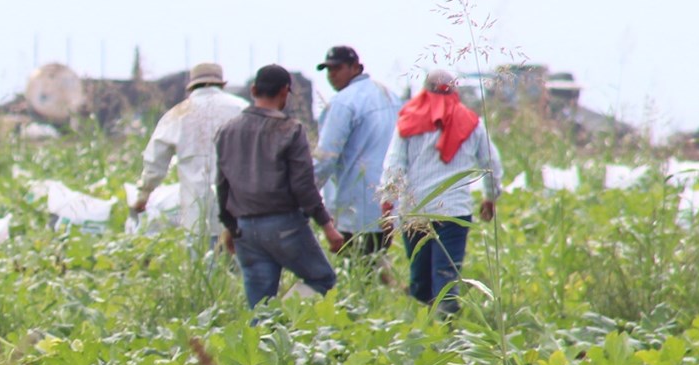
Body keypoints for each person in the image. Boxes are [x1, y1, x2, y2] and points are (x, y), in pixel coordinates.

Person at [214, 64, 347, 308]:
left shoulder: (227, 131)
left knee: (259, 305)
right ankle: (284, 315)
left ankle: (267, 327)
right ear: (285, 91)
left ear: (253, 89)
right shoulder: (290, 129)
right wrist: (327, 226)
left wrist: (230, 226)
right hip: (284, 225)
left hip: (245, 229)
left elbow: (222, 184)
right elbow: (303, 186)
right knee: (322, 279)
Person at [380, 68, 503, 312]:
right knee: (447, 276)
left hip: (416, 211)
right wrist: (490, 197)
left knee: (420, 278)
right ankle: (446, 328)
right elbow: (491, 163)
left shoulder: (407, 123)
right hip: (454, 213)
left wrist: (387, 203)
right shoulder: (472, 123)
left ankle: (427, 328)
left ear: (425, 92)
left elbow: (394, 166)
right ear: (455, 92)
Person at [130, 62, 248, 239]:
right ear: (222, 84)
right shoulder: (242, 109)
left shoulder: (177, 114)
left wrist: (144, 194)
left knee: (201, 260)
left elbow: (155, 161)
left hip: (196, 210)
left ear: (192, 86)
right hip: (240, 209)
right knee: (240, 263)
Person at [312, 45, 400, 257]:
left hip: (355, 205)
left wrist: (306, 193)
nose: (331, 75)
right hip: (388, 202)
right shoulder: (389, 95)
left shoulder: (343, 102)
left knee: (354, 270)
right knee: (375, 264)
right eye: (328, 70)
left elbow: (325, 158)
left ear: (355, 67)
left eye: (337, 68)